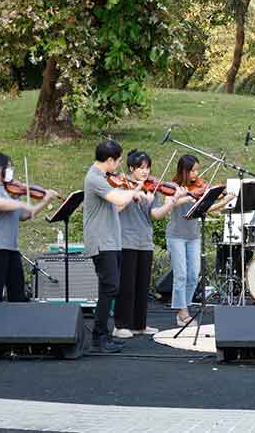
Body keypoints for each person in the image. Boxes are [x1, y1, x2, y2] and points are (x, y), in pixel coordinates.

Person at [0, 152, 58, 338]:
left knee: (17, 288)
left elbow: (26, 215)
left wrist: (44, 201)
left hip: (9, 246)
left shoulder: (10, 190)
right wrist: (19, 203)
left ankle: (18, 328)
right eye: (8, 167)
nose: (11, 171)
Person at [83, 139, 145, 353]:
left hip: (111, 240)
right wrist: (134, 191)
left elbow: (116, 205)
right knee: (110, 287)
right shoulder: (94, 178)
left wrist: (129, 192)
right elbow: (117, 198)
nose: (119, 166)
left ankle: (103, 335)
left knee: (109, 288)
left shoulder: (103, 178)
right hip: (101, 241)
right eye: (118, 161)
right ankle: (99, 336)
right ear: (109, 160)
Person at [113, 149, 181, 339]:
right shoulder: (121, 186)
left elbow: (155, 214)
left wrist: (171, 203)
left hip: (145, 241)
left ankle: (139, 324)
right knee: (126, 286)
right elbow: (117, 207)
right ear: (131, 168)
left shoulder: (150, 187)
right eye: (141, 168)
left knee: (142, 286)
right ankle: (120, 325)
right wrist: (134, 192)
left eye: (147, 168)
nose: (145, 172)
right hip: (125, 240)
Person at [166, 154, 234, 326]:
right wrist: (186, 195)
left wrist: (225, 200)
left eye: (197, 170)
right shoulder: (173, 186)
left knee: (193, 274)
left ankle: (185, 306)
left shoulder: (198, 187)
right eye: (192, 171)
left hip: (193, 236)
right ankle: (182, 312)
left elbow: (207, 209)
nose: (196, 175)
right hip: (176, 235)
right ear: (183, 170)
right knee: (181, 275)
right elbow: (170, 204)